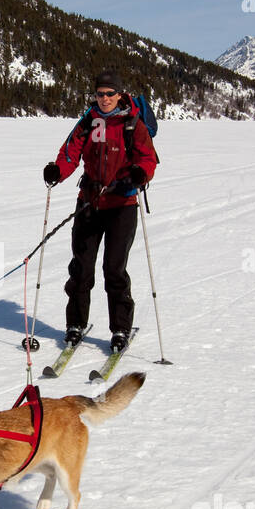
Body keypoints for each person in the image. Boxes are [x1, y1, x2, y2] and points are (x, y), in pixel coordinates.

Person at [42, 69, 156, 353]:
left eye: (109, 94)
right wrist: (58, 171)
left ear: (119, 94)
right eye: (99, 94)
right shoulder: (88, 122)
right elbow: (70, 151)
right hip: (90, 202)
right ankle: (75, 324)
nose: (104, 99)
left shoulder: (132, 123)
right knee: (81, 268)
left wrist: (138, 176)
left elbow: (148, 158)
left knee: (114, 269)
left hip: (122, 205)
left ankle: (120, 329)